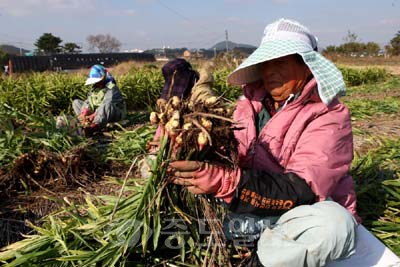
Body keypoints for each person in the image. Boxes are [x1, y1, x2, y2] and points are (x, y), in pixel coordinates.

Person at [168, 18, 359, 267]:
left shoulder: (329, 116)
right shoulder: (248, 106)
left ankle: (261, 261)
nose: (270, 71)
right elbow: (229, 154)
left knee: (334, 226)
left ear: (308, 66)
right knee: (174, 216)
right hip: (249, 210)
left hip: (295, 216)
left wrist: (227, 183)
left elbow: (302, 190)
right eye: (266, 62)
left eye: (280, 61)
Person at [72, 64, 126, 136]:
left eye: (98, 81)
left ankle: (93, 127)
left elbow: (107, 103)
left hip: (113, 113)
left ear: (103, 78)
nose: (97, 83)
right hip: (98, 113)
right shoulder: (94, 88)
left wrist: (93, 115)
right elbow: (89, 101)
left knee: (107, 105)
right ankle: (83, 121)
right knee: (76, 102)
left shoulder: (112, 88)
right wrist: (85, 111)